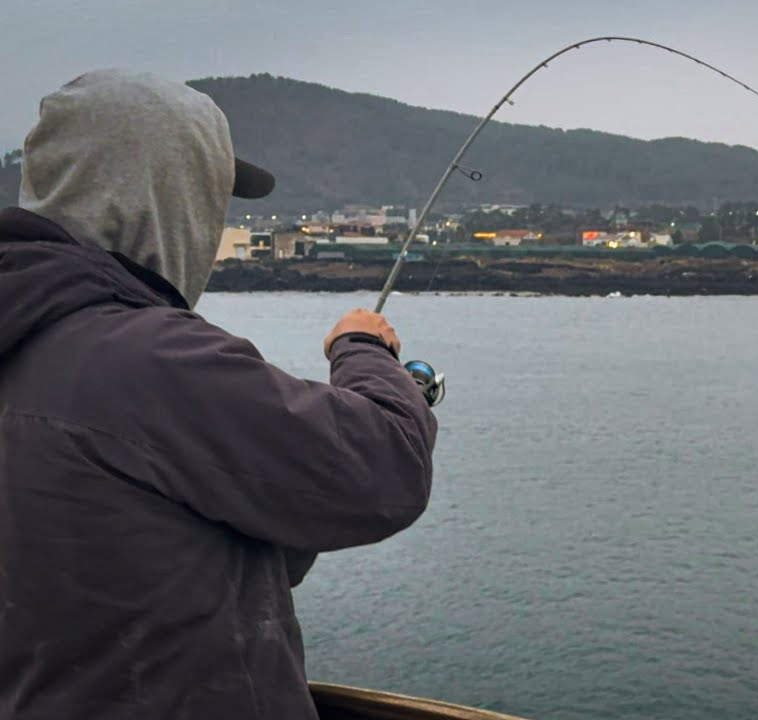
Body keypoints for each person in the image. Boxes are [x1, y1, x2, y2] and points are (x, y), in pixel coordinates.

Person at [0, 70, 437, 719]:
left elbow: (156, 543)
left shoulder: (27, 330)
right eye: (211, 194)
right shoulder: (147, 360)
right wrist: (365, 351)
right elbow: (383, 466)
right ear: (167, 194)